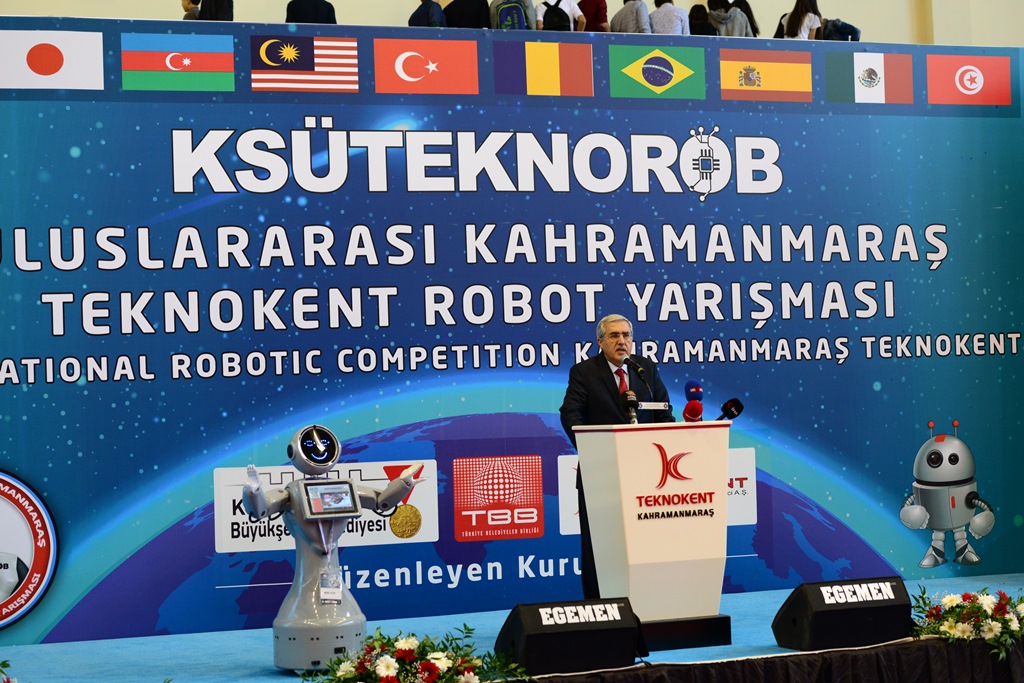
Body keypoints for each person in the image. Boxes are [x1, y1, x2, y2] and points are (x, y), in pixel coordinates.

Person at [560, 314, 675, 599]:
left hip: (647, 476)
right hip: (601, 474)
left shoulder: (645, 369)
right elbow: (571, 414)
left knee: (645, 543)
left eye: (626, 335)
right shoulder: (584, 372)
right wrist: (592, 448)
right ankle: (599, 607)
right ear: (600, 342)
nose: (621, 341)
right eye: (614, 336)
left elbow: (663, 412)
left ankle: (648, 600)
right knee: (599, 548)